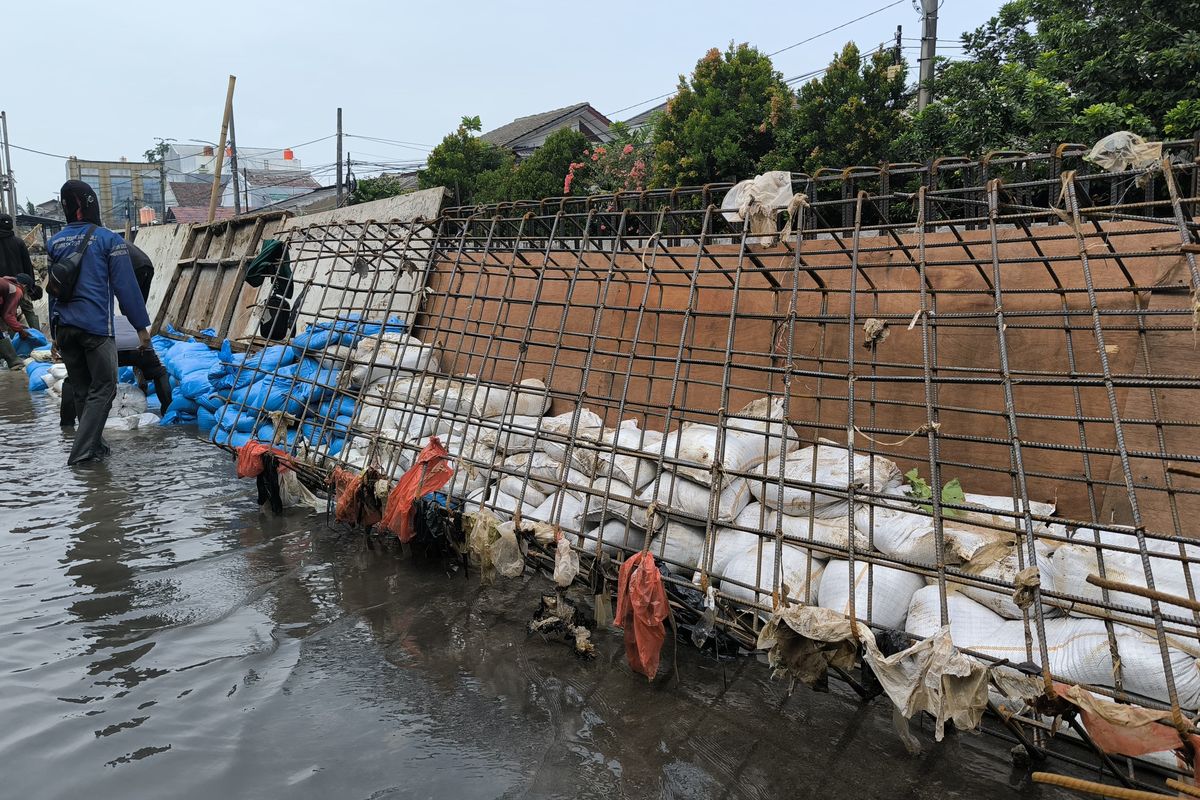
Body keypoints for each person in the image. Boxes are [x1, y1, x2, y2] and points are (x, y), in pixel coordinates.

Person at [47, 180, 151, 466]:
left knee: (83, 389)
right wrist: (141, 328)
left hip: (65, 327)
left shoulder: (54, 242)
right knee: (105, 388)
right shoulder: (109, 241)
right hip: (96, 329)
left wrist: (54, 333)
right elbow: (126, 289)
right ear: (90, 204)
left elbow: (52, 289)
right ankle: (81, 455)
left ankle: (96, 446)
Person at [60, 314, 172, 426]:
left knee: (73, 380)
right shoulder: (131, 319)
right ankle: (167, 412)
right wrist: (144, 385)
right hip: (139, 347)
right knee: (160, 373)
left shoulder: (95, 318)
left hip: (106, 347)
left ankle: (67, 423)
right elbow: (144, 368)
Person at [0, 213, 40, 331]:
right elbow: (28, 266)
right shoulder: (19, 242)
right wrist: (31, 286)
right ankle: (39, 337)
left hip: (2, 288)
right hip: (20, 284)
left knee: (5, 315)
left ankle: (12, 343)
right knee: (28, 309)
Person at [0, 273, 39, 370]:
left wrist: (18, 325)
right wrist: (21, 331)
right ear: (25, 286)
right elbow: (8, 315)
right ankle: (14, 361)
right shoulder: (16, 290)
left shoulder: (6, 283)